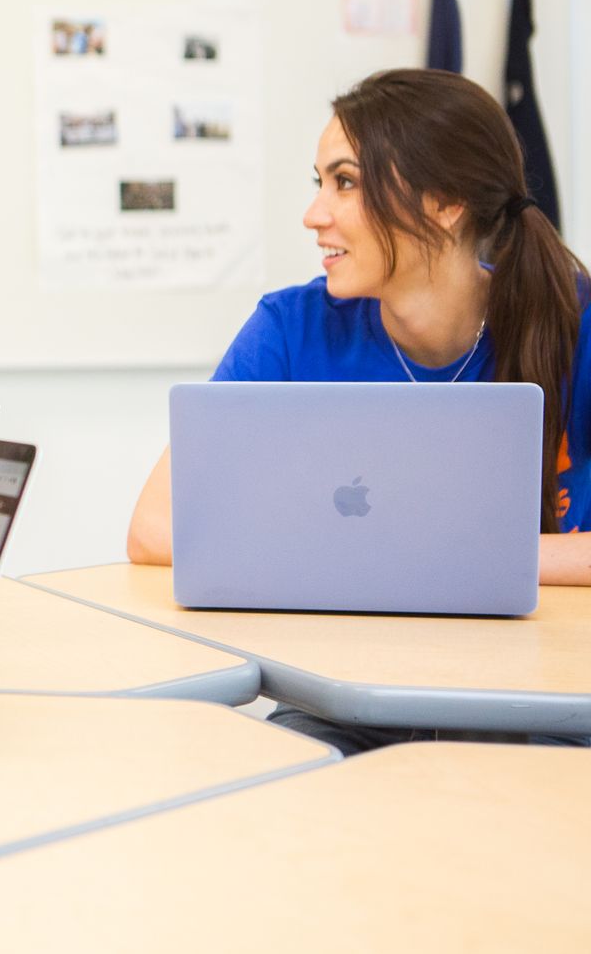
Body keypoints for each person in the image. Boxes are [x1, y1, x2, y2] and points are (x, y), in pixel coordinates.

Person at [126, 70, 591, 748]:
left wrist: (434, 561)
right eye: (318, 182)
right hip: (348, 704)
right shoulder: (292, 328)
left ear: (445, 201)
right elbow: (155, 527)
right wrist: (452, 562)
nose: (315, 213)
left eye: (345, 182)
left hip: (537, 703)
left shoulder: (574, 325)